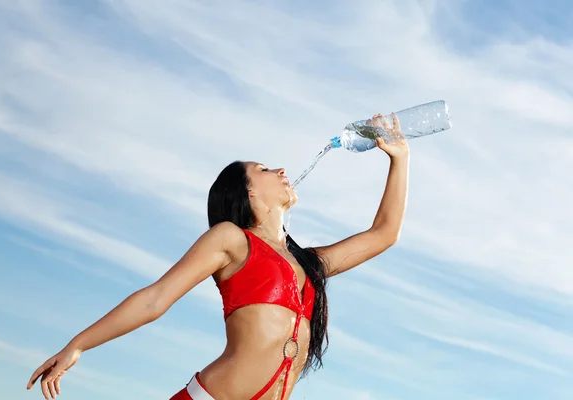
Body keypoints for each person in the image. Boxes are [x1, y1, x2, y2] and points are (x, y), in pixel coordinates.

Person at [26, 113, 410, 400]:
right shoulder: (231, 240)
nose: (280, 170)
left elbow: (383, 234)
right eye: (263, 169)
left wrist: (399, 159)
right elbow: (155, 298)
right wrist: (78, 345)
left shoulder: (309, 264)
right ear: (249, 195)